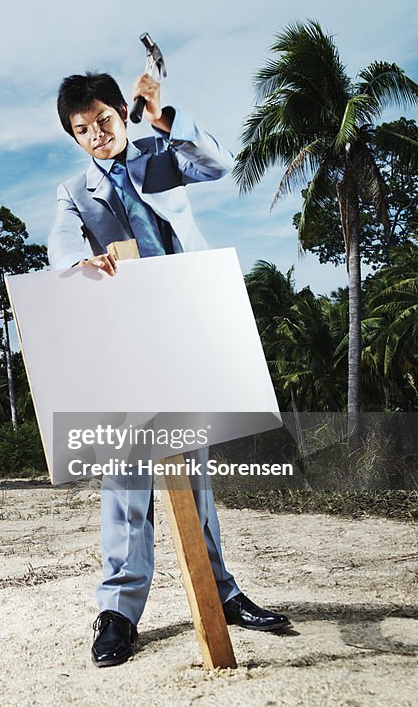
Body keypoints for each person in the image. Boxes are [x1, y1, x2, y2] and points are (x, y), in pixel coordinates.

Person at [47, 71, 291, 668]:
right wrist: (84, 257)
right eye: (83, 131)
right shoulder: (75, 191)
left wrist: (164, 118)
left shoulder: (159, 154)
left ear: (120, 115)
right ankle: (118, 611)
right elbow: (58, 247)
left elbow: (218, 164)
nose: (97, 136)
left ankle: (221, 592)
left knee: (196, 469)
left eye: (104, 121)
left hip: (187, 324)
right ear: (74, 137)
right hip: (127, 341)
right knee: (126, 473)